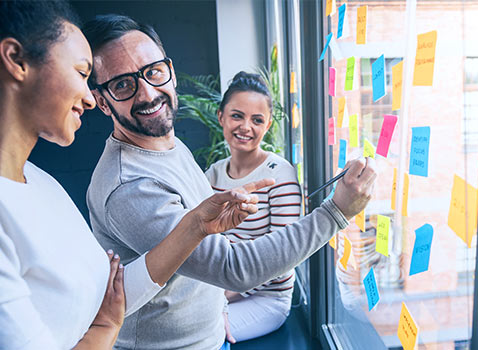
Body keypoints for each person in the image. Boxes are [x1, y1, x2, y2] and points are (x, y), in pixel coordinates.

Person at [84, 14, 376, 350]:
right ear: (102, 101)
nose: (148, 93)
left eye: (153, 72)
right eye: (123, 84)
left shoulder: (169, 145)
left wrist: (216, 306)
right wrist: (337, 212)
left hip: (210, 334)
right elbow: (230, 266)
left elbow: (202, 258)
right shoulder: (130, 187)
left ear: (171, 72)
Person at [0, 2, 267, 349]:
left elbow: (110, 293)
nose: (90, 99)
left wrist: (196, 225)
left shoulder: (40, 183)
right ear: (17, 61)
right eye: (82, 73)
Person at [205, 72, 301, 341]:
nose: (245, 127)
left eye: (257, 120)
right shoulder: (212, 174)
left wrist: (218, 299)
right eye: (237, 116)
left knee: (198, 335)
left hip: (265, 298)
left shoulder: (280, 175)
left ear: (267, 125)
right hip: (216, 288)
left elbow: (282, 258)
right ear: (221, 116)